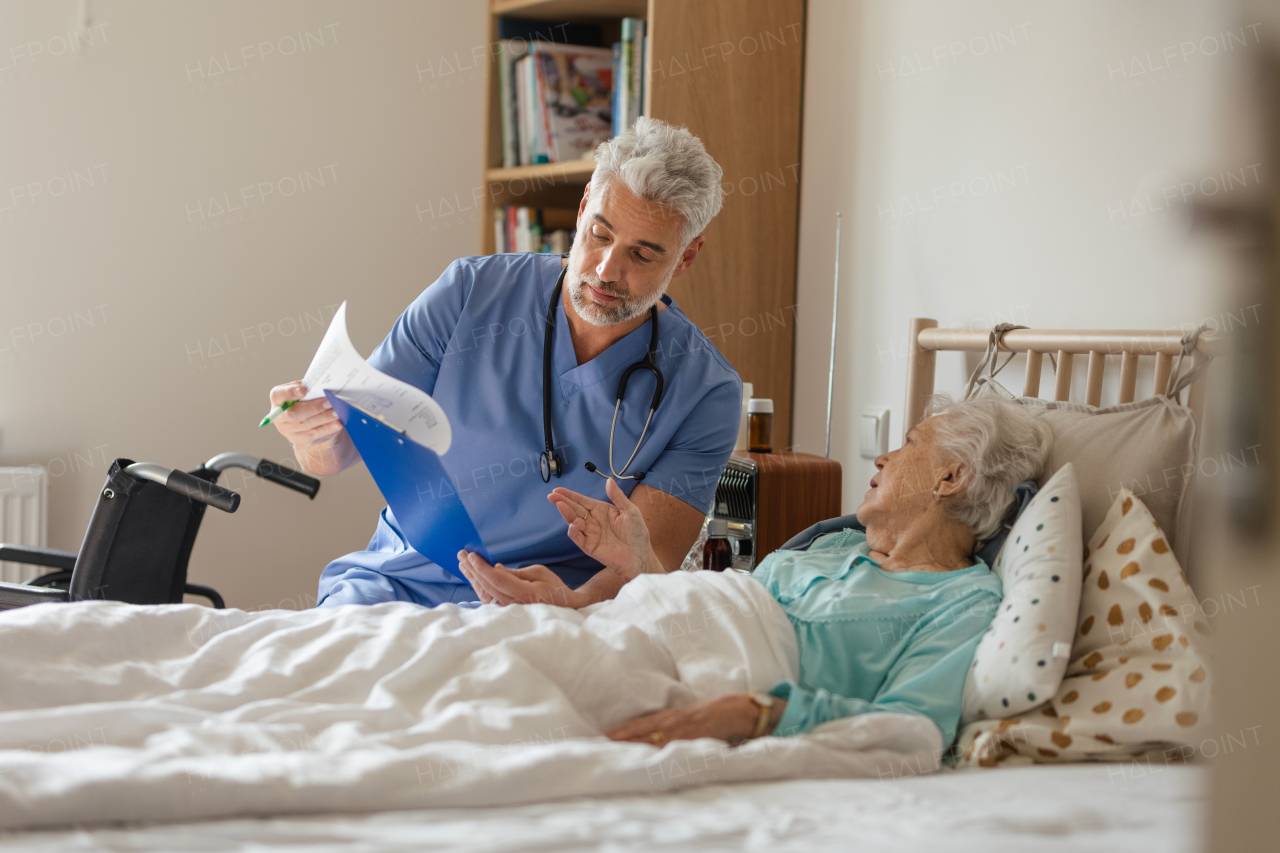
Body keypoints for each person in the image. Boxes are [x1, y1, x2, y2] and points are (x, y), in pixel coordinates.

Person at [268, 118, 742, 608]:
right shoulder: (469, 294)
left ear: (685, 258)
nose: (606, 271)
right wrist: (312, 432)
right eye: (600, 234)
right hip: (399, 581)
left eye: (642, 255)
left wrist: (568, 603)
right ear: (582, 210)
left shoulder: (706, 392)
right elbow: (336, 453)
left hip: (547, 606)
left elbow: (650, 564)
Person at [460, 395, 1053, 748]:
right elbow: (704, 613)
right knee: (467, 661)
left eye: (908, 444)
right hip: (646, 635)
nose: (883, 456)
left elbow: (910, 729)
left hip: (726, 676)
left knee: (486, 711)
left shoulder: (962, 600)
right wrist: (593, 596)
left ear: (951, 479)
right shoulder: (833, 546)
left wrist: (759, 711)